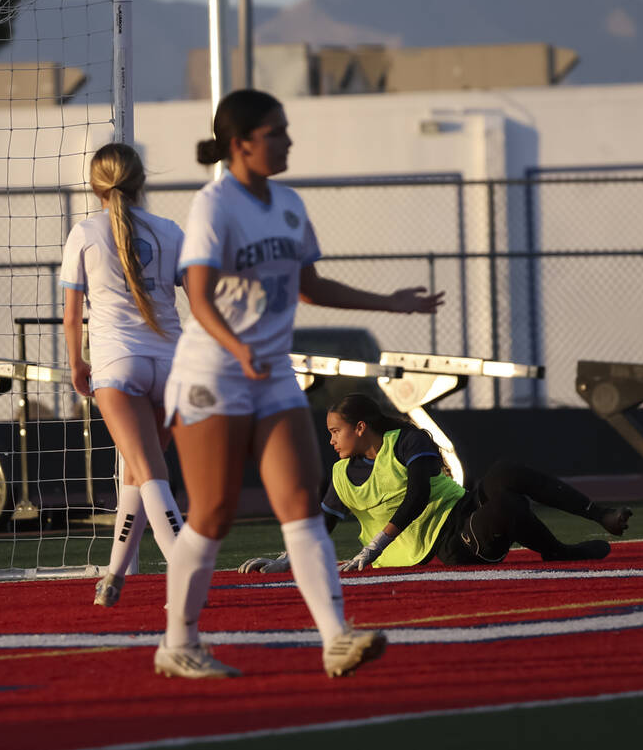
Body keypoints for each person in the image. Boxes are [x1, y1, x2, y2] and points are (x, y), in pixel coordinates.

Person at [155, 89, 445, 679]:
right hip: (213, 375)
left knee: (303, 511)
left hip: (272, 378)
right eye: (277, 132)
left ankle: (336, 638)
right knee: (212, 512)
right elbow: (200, 294)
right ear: (241, 145)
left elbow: (311, 287)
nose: (288, 141)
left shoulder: (287, 202)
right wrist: (237, 347)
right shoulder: (215, 206)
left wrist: (391, 303)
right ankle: (178, 641)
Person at [239, 392, 633, 575]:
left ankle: (600, 516)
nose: (331, 440)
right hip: (450, 546)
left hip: (460, 513)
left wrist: (375, 545)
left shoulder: (409, 439)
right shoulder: (341, 476)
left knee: (505, 472)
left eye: (335, 431)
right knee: (507, 507)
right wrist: (284, 561)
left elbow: (420, 494)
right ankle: (557, 552)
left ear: (360, 428)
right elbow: (318, 530)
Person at [60, 142, 186, 608]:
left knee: (149, 472)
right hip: (172, 365)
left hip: (118, 366)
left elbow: (72, 317)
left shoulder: (85, 232)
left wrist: (77, 364)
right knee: (138, 472)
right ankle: (113, 574)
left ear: (94, 186)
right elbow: (201, 294)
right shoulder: (171, 231)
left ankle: (184, 572)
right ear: (141, 179)